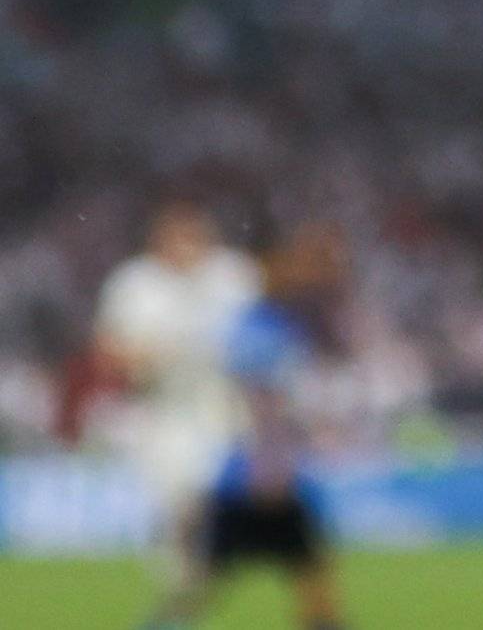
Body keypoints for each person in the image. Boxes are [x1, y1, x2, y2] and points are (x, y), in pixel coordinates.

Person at [140, 223, 352, 630]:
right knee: (307, 581)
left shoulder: (265, 324)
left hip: (251, 476)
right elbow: (261, 406)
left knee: (302, 579)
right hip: (258, 478)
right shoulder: (263, 328)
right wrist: (272, 470)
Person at [93, 202, 257, 611]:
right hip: (165, 413)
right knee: (179, 503)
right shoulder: (135, 284)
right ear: (159, 242)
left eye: (195, 238)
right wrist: (150, 356)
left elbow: (266, 310)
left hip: (224, 405)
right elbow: (109, 352)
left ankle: (202, 575)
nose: (188, 248)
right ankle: (185, 581)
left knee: (218, 496)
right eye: (178, 239)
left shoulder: (229, 275)